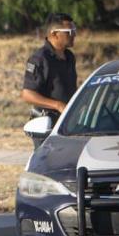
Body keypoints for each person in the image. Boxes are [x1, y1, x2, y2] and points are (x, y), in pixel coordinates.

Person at [20, 12, 78, 148]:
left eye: (74, 30)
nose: (74, 35)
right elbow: (27, 94)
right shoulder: (40, 59)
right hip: (46, 126)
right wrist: (58, 105)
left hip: (67, 123)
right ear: (54, 34)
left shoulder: (69, 57)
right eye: (69, 31)